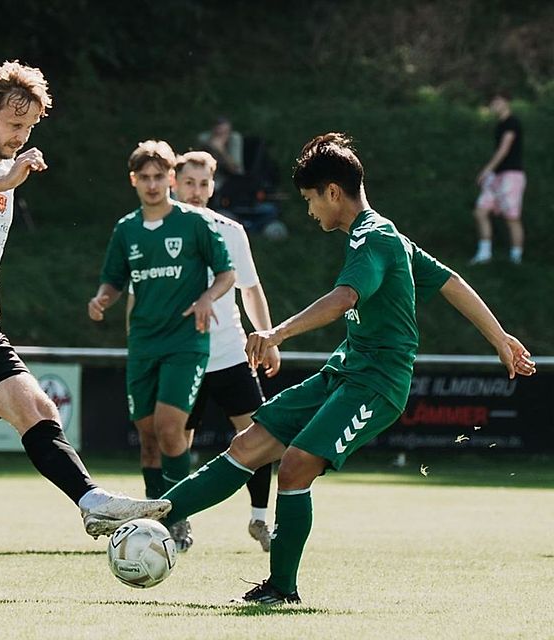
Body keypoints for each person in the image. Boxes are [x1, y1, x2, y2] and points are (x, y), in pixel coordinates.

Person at [156, 132, 536, 605]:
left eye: (310, 200)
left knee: (294, 467)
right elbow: (451, 282)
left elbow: (344, 299)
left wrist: (276, 333)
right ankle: (158, 515)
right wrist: (500, 340)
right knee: (249, 443)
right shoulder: (383, 233)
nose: (310, 211)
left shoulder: (373, 239)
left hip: (376, 383)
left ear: (332, 192)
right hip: (346, 369)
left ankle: (281, 588)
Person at [0, 61, 170, 601]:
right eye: (13, 125)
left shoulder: (6, 171)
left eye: (29, 129)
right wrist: (4, 177)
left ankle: (91, 504)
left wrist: (7, 176)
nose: (20, 138)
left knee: (39, 411)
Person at [87, 140, 235, 555]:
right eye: (144, 178)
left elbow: (226, 274)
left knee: (172, 430)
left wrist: (207, 298)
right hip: (143, 343)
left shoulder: (194, 224)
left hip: (186, 342)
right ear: (134, 181)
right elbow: (114, 280)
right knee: (148, 437)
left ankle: (177, 514)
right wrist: (102, 299)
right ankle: (153, 514)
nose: (152, 185)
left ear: (171, 179)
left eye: (159, 177)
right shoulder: (126, 229)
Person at [173, 150, 281, 552]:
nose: (197, 191)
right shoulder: (156, 232)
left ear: (213, 186)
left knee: (260, 436)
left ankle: (258, 520)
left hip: (230, 355)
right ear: (174, 183)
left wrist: (266, 336)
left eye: (204, 184)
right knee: (177, 443)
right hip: (181, 358)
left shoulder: (231, 230)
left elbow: (250, 289)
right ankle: (177, 521)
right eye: (189, 183)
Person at [469, 92, 526, 265]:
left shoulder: (512, 123)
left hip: (511, 175)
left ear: (506, 103)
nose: (495, 105)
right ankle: (484, 254)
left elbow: (504, 149)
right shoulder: (500, 125)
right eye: (493, 102)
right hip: (497, 176)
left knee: (512, 217)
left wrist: (487, 170)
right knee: (480, 211)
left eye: (498, 102)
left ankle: (516, 258)